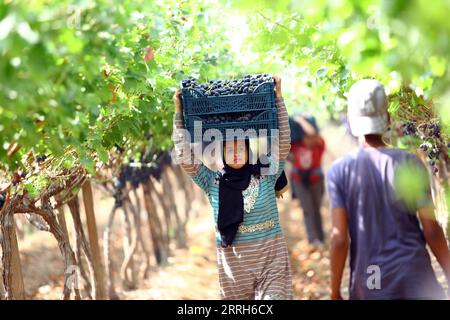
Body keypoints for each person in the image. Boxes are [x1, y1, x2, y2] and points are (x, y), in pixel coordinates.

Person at [327, 79, 450, 300]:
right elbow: (431, 229)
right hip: (415, 276)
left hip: (371, 281)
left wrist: (335, 292)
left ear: (351, 121)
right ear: (389, 119)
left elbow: (339, 239)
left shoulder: (339, 171)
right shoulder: (410, 163)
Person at [172, 75, 293, 300]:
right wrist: (178, 115)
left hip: (271, 263)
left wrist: (278, 99)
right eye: (229, 150)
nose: (235, 153)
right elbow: (185, 158)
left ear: (249, 151)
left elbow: (283, 142)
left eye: (240, 148)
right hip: (234, 270)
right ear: (221, 155)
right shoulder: (212, 182)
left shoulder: (266, 173)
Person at [289, 114, 326, 246]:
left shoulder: (318, 145)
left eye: (310, 137)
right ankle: (313, 239)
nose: (308, 139)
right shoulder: (296, 146)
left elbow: (312, 132)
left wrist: (299, 120)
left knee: (316, 209)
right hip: (299, 180)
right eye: (305, 136)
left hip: (316, 180)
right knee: (307, 209)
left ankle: (321, 237)